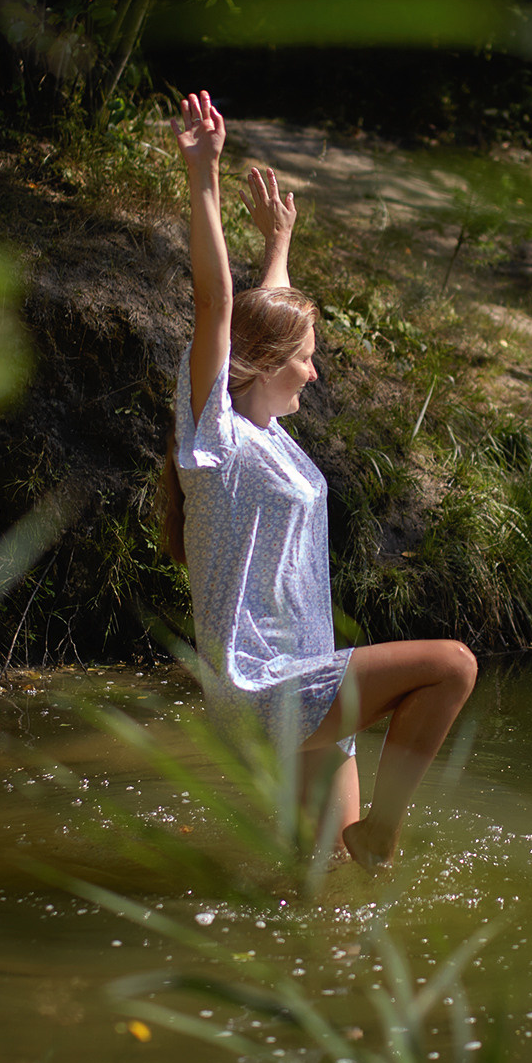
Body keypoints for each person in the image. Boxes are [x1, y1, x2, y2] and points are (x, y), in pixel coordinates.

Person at [162, 90, 477, 867]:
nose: (316, 366)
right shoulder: (218, 439)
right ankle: (388, 829)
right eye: (308, 355)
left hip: (305, 682)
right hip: (270, 687)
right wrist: (203, 177)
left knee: (329, 884)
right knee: (452, 665)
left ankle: (323, 946)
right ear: (265, 366)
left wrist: (279, 242)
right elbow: (220, 306)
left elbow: (269, 321)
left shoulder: (267, 435)